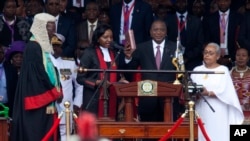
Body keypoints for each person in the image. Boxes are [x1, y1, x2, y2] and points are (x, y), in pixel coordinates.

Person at [11, 13, 62, 141]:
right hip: (38, 106)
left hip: (48, 104)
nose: (53, 33)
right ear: (42, 28)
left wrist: (58, 87)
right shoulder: (33, 47)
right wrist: (54, 92)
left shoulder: (43, 48)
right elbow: (37, 76)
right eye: (51, 29)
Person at [123, 19, 181, 122]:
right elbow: (130, 71)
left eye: (162, 30)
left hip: (168, 97)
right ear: (150, 32)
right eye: (155, 30)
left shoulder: (175, 47)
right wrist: (128, 58)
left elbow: (181, 70)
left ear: (166, 32)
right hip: (147, 97)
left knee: (168, 132)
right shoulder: (141, 48)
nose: (158, 32)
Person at [190, 42, 244, 141]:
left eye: (211, 53)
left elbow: (226, 91)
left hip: (218, 109)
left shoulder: (223, 70)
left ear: (218, 56)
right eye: (205, 52)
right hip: (200, 108)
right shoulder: (196, 70)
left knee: (217, 134)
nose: (207, 55)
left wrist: (208, 92)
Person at [76, 24, 125, 120]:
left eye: (111, 37)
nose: (109, 40)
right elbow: (80, 78)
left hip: (112, 96)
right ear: (98, 38)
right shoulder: (89, 53)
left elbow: (115, 75)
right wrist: (96, 82)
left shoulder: (114, 53)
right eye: (105, 37)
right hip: (93, 98)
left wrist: (121, 81)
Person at [50, 33, 83, 141]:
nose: (55, 48)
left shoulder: (69, 63)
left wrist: (77, 103)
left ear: (62, 48)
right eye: (52, 45)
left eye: (58, 46)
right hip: (49, 106)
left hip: (66, 107)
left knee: (66, 134)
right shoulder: (44, 62)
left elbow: (79, 84)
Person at [230, 48, 250, 124]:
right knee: (235, 134)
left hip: (248, 113)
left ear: (248, 58)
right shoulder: (229, 74)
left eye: (244, 55)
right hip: (234, 111)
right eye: (238, 55)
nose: (240, 58)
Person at [0, 44, 18, 118]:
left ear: (3, 54)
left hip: (7, 106)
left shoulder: (11, 69)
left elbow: (15, 88)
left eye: (0, 52)